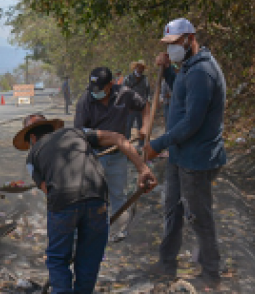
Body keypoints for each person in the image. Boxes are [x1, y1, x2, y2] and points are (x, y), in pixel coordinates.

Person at [15, 114, 155, 294]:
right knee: (88, 258)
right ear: (52, 128)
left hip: (63, 201)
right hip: (97, 197)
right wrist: (143, 169)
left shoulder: (32, 156)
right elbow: (119, 139)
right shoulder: (76, 133)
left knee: (58, 260)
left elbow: (47, 190)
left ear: (32, 138)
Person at [144, 18, 227, 290]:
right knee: (172, 210)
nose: (171, 50)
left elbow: (193, 121)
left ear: (190, 39)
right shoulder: (187, 68)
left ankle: (211, 273)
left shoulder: (203, 72)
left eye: (174, 45)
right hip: (180, 155)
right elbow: (180, 95)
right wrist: (168, 71)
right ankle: (167, 263)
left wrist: (159, 143)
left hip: (197, 158)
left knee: (198, 215)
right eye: (167, 46)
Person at [74, 67, 151, 241]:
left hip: (118, 155)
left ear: (110, 85)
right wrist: (105, 138)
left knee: (118, 193)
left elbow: (145, 105)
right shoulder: (85, 101)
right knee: (92, 195)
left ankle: (120, 230)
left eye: (100, 89)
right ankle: (89, 232)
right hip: (95, 155)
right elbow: (79, 132)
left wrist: (145, 126)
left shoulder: (124, 94)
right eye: (93, 89)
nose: (96, 93)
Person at [123, 60, 150, 138]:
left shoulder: (145, 79)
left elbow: (148, 92)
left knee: (141, 126)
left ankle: (141, 145)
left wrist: (147, 104)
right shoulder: (128, 78)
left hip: (141, 106)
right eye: (139, 67)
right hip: (131, 106)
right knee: (128, 126)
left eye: (142, 68)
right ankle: (126, 143)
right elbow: (124, 93)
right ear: (136, 67)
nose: (141, 69)